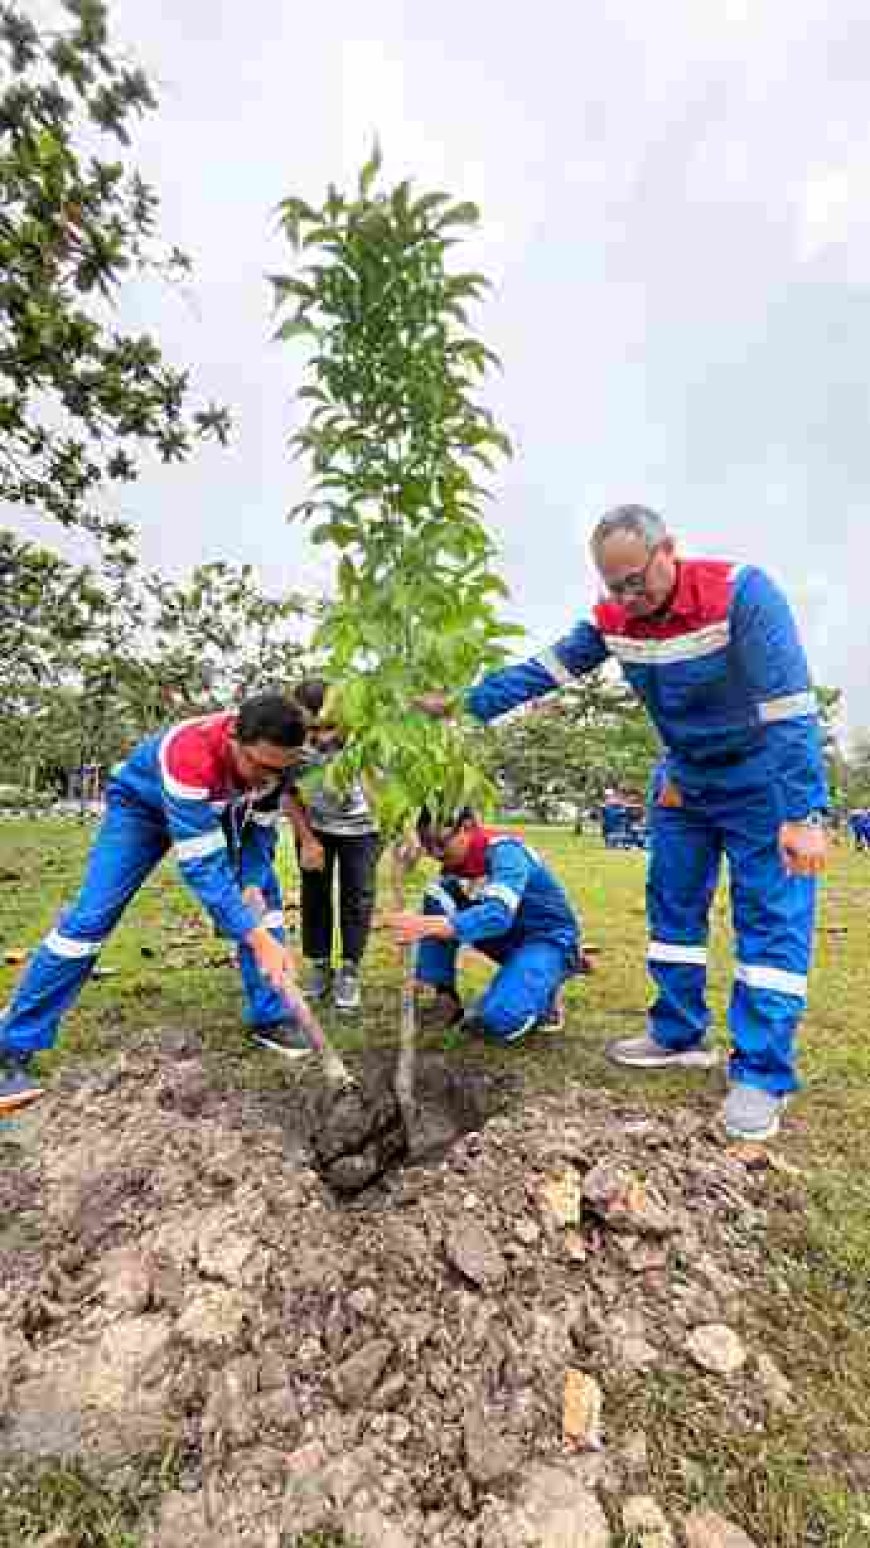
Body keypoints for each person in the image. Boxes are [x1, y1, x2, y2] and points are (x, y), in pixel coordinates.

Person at [420, 505, 828, 1141]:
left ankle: (762, 1074)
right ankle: (676, 1033)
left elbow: (791, 706)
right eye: (615, 587)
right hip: (685, 782)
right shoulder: (612, 620)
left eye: (638, 580)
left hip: (762, 781)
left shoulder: (741, 592)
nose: (629, 598)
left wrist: (803, 813)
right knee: (671, 912)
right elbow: (542, 672)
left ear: (670, 549)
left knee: (771, 924)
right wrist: (462, 706)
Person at [0, 694, 312, 1115]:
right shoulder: (189, 753)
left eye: (279, 770)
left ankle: (272, 1016)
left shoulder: (275, 767)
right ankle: (11, 1046)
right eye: (260, 766)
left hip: (220, 809)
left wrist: (253, 884)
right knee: (90, 921)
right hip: (141, 809)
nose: (267, 779)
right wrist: (256, 938)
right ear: (235, 736)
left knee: (265, 905)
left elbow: (259, 830)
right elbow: (203, 868)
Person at [385, 805, 581, 1042]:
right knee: (438, 894)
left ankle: (549, 982)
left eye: (440, 842)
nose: (435, 853)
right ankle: (444, 995)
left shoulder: (507, 852)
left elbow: (497, 915)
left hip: (546, 939)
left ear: (467, 828)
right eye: (427, 845)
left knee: (498, 1020)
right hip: (506, 936)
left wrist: (430, 926)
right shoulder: (457, 866)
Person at [286, 679, 380, 1014]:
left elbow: (383, 789)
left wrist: (396, 830)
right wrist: (308, 840)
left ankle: (350, 969)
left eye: (329, 727)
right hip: (315, 828)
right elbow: (288, 793)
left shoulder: (367, 743)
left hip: (363, 830)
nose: (322, 737)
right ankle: (319, 964)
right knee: (315, 894)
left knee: (358, 896)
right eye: (313, 728)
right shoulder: (294, 745)